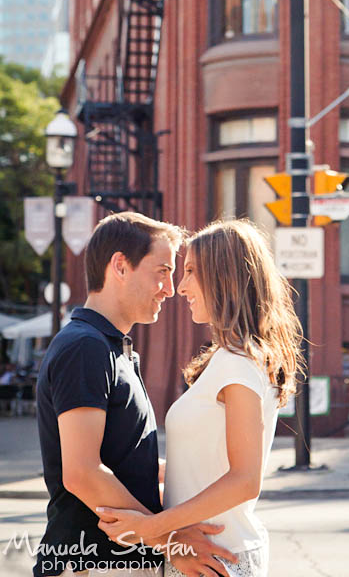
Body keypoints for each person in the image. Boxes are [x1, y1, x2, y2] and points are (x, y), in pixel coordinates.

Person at [94, 219, 304, 577]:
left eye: (191, 272)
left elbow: (244, 479)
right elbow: (207, 460)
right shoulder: (228, 358)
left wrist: (151, 528)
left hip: (217, 556)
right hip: (204, 553)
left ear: (224, 278)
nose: (181, 287)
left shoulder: (239, 363)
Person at [34, 211, 235, 577]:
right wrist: (171, 539)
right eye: (162, 271)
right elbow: (81, 473)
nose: (170, 289)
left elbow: (124, 461)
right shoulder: (85, 347)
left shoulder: (115, 350)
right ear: (120, 267)